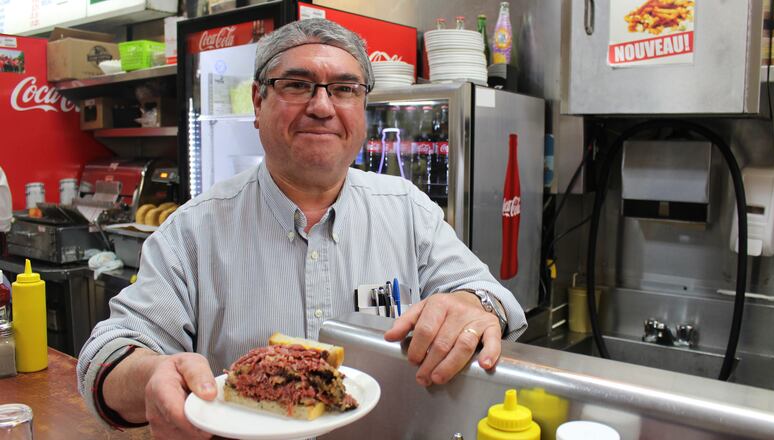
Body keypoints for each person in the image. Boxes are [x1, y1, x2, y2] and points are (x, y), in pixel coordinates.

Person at [77, 19, 527, 438]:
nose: (322, 106)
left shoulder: (408, 211)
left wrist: (472, 304)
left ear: (363, 107)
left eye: (345, 88)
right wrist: (150, 375)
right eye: (297, 85)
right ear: (258, 102)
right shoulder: (193, 232)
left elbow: (493, 297)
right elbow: (107, 355)